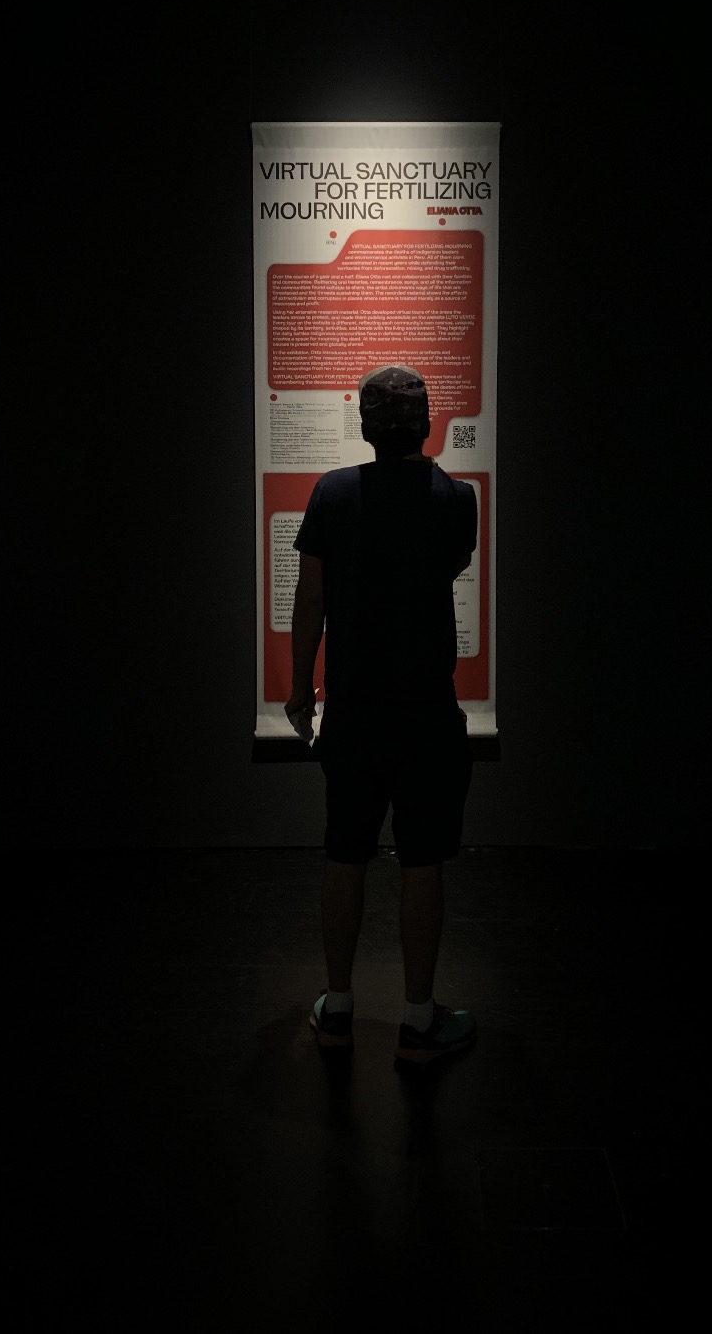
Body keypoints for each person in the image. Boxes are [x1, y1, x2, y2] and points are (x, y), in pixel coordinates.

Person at [285, 364, 479, 1065]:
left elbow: (312, 599)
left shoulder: (333, 493)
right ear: (424, 424)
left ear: (365, 427)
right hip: (426, 708)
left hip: (355, 708)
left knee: (344, 853)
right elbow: (445, 567)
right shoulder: (455, 498)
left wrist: (301, 687)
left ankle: (338, 1008)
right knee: (422, 862)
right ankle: (419, 1021)